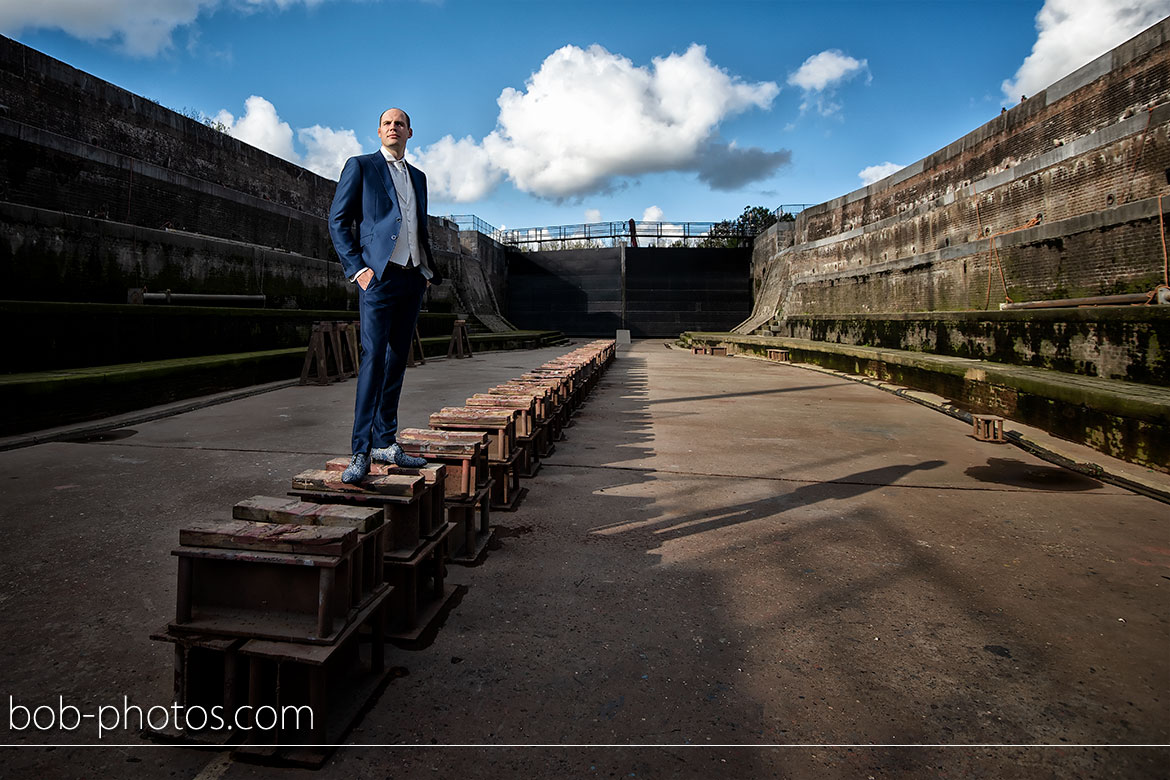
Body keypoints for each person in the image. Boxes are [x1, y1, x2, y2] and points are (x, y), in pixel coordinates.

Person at [328, 107, 442, 483]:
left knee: (396, 361)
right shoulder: (360, 166)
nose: (394, 128)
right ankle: (360, 450)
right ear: (379, 131)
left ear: (411, 132)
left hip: (412, 278)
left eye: (401, 124)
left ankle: (385, 441)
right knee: (374, 358)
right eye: (388, 123)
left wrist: (424, 271)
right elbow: (338, 220)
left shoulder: (419, 178)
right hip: (377, 278)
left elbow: (416, 225)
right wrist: (357, 269)